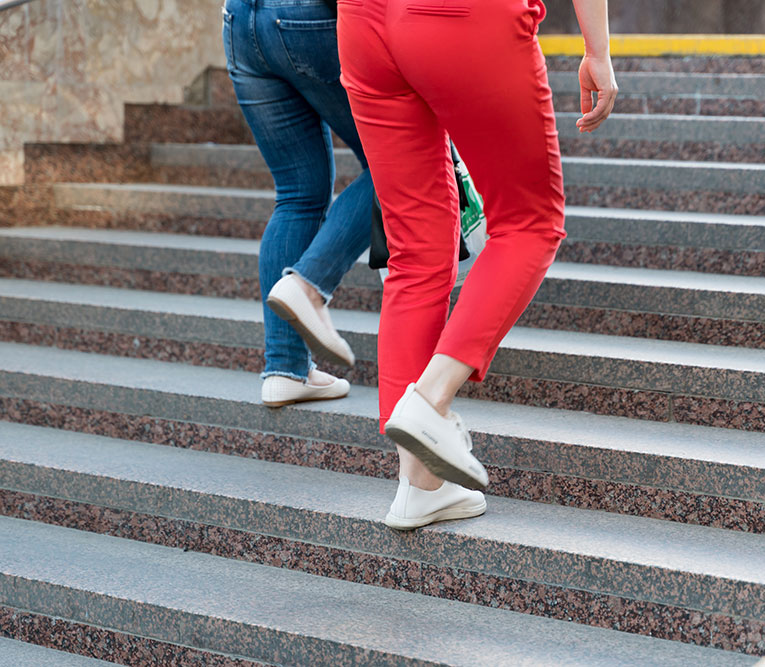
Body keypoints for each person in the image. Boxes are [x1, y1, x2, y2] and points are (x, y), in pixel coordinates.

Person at [337, 0, 617, 529]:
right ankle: (431, 399)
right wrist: (597, 50)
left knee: (414, 252)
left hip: (362, 22)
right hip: (460, 16)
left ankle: (420, 486)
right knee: (530, 223)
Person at [222, 0, 373, 407]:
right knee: (400, 161)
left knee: (297, 194)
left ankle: (285, 368)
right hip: (310, 17)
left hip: (240, 21)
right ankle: (308, 285)